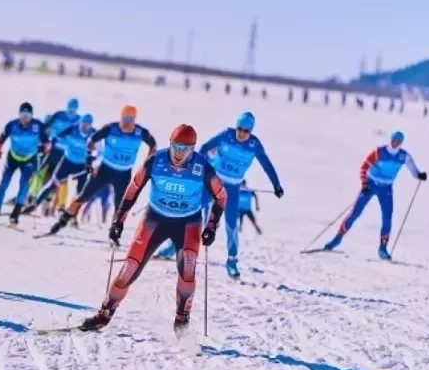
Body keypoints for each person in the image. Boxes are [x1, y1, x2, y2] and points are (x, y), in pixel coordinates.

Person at [79, 124, 227, 333]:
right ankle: (104, 315)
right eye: (176, 147)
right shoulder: (156, 161)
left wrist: (211, 225)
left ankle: (181, 321)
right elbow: (133, 189)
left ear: (192, 149)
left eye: (184, 149)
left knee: (188, 266)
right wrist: (118, 220)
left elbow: (221, 196)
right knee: (129, 268)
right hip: (154, 219)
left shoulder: (202, 167)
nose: (178, 153)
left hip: (188, 222)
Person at [45, 104, 157, 237]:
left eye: (130, 119)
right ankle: (61, 223)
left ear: (134, 119)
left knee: (120, 207)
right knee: (82, 197)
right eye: (125, 119)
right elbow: (91, 140)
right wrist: (89, 160)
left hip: (124, 173)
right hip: (105, 169)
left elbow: (153, 145)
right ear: (120, 117)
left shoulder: (140, 132)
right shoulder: (111, 128)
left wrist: (147, 164)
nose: (127, 123)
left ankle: (114, 235)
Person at [199, 112, 283, 278]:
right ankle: (175, 247)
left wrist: (276, 184)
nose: (242, 133)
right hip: (214, 182)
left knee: (231, 223)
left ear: (251, 131)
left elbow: (267, 165)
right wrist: (201, 168)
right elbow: (203, 149)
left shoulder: (254, 145)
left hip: (233, 188)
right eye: (239, 128)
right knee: (196, 213)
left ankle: (231, 261)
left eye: (246, 130)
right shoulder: (226, 135)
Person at [323, 131, 427, 259]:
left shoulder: (403, 156)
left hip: (386, 189)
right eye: (394, 140)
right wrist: (364, 182)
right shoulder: (379, 151)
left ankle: (383, 248)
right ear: (390, 139)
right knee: (355, 213)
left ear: (401, 142)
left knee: (387, 217)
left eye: (398, 141)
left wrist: (419, 175)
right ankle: (337, 239)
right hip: (370, 185)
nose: (395, 143)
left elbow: (413, 169)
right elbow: (364, 167)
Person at [0, 102, 49, 226]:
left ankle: (15, 214)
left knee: (24, 183)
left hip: (29, 159)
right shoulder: (11, 125)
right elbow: (0, 141)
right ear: (19, 114)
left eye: (28, 114)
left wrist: (43, 149)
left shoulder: (38, 126)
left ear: (31, 115)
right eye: (23, 114)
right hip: (13, 157)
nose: (25, 117)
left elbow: (47, 143)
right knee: (4, 182)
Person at [23, 113, 95, 215]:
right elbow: (57, 136)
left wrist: (93, 160)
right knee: (53, 183)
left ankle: (72, 216)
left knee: (81, 191)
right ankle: (35, 204)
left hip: (81, 166)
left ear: (90, 125)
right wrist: (48, 144)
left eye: (87, 124)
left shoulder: (93, 134)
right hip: (67, 161)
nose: (84, 126)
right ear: (80, 123)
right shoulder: (72, 129)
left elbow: (100, 150)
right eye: (83, 123)